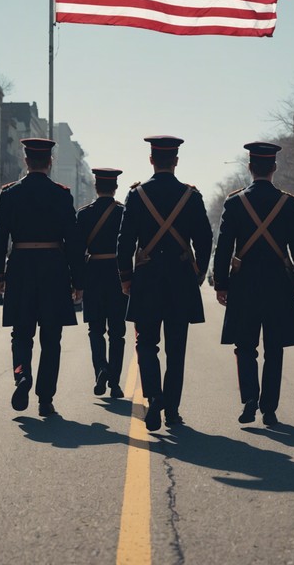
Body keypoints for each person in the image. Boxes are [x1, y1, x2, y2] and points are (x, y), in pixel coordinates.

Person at [117, 136, 212, 431]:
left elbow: (124, 242)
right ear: (176, 161)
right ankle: (171, 410)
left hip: (146, 279)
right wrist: (197, 273)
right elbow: (206, 239)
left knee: (146, 343)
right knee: (176, 348)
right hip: (181, 279)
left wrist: (126, 277)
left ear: (151, 160)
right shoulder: (191, 196)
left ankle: (153, 397)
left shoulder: (136, 195)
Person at [212, 142, 294, 427]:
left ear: (250, 167)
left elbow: (224, 248)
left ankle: (249, 399)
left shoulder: (235, 202)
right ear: (274, 168)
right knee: (274, 348)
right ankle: (269, 408)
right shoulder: (288, 203)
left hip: (244, 285)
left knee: (245, 346)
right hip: (279, 284)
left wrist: (221, 283)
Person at [0, 138, 85, 417]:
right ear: (50, 162)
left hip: (20, 268)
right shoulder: (61, 194)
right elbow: (74, 241)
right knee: (51, 338)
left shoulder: (9, 194)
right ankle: (45, 398)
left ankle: (21, 376)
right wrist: (78, 281)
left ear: (25, 161)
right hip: (53, 269)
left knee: (21, 333)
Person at [77, 168, 128, 399]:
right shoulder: (123, 213)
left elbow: (77, 251)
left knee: (95, 329)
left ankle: (101, 369)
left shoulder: (84, 214)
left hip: (93, 275)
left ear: (96, 187)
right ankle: (115, 383)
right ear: (115, 188)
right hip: (118, 274)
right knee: (117, 332)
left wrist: (76, 282)